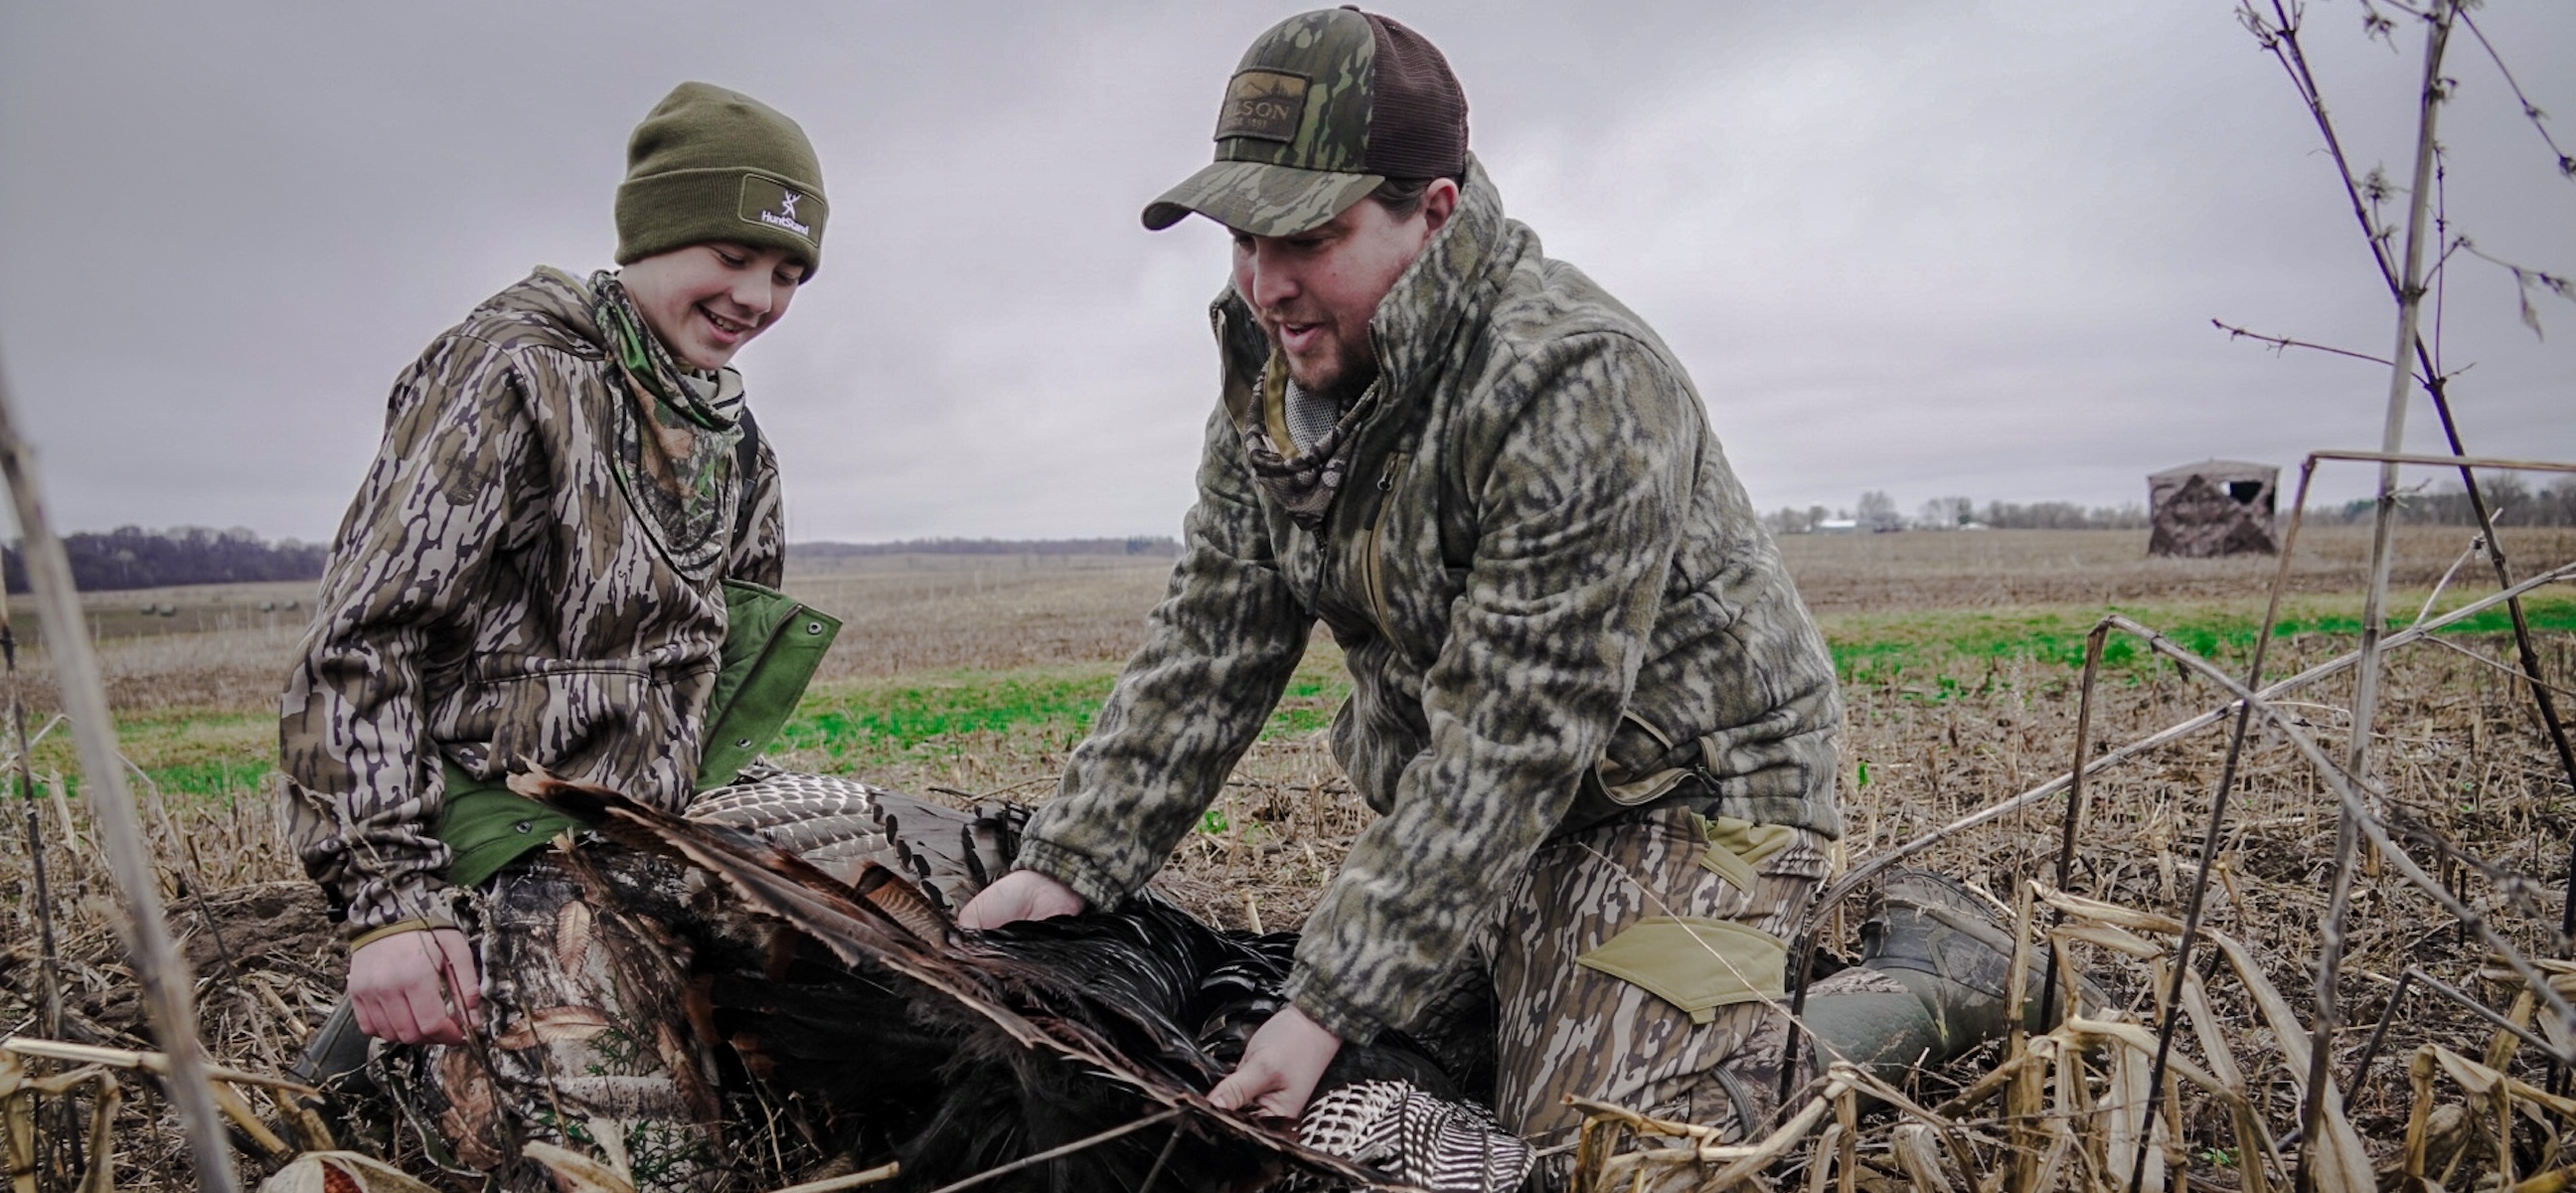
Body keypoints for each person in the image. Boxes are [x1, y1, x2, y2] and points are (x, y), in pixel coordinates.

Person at [957, 11, 2079, 1185]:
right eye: (1243, 238)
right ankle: (1625, 991)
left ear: (1434, 212)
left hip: (1685, 807)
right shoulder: (1275, 373)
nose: (1266, 283)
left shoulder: (1575, 378)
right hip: (1476, 816)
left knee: (1611, 1156)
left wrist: (1334, 994)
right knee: (1358, 1079)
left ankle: (1933, 979)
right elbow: (1212, 637)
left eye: (1310, 237)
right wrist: (1071, 860)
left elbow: (1517, 735)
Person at [281, 82, 847, 1191]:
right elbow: (362, 644)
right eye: (733, 255)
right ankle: (395, 1058)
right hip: (500, 836)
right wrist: (391, 911)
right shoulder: (511, 372)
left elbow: (711, 675)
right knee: (636, 1174)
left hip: (642, 831)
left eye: (788, 274)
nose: (757, 297)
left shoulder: (734, 438)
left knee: (899, 947)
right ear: (652, 233)